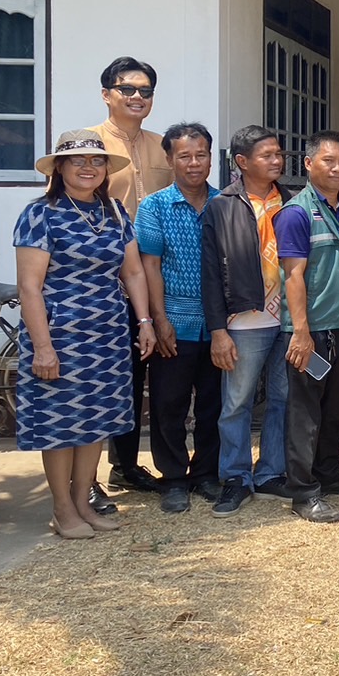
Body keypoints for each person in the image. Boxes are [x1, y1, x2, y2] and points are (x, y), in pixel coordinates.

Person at [13, 130, 157, 538]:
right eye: (78, 161)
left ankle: (83, 504)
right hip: (60, 335)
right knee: (61, 424)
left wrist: (144, 322)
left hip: (108, 336)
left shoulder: (114, 211)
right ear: (60, 168)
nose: (88, 168)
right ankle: (62, 509)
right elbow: (29, 287)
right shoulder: (40, 214)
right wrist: (43, 347)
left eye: (96, 161)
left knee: (96, 420)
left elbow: (133, 272)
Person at [87, 56, 171, 501]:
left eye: (146, 91)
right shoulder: (89, 146)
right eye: (128, 89)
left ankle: (124, 465)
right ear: (107, 94)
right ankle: (84, 479)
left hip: (154, 278)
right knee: (100, 378)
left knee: (137, 376)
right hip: (102, 283)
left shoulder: (165, 147)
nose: (138, 97)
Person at [200, 125, 292, 517]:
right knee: (236, 402)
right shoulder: (222, 207)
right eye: (267, 155)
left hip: (287, 319)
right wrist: (218, 330)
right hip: (244, 320)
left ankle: (271, 472)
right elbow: (210, 274)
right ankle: (236, 477)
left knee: (283, 399)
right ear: (242, 161)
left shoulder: (290, 201)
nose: (276, 160)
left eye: (278, 153)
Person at [135, 123, 220, 515]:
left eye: (201, 155)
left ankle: (206, 474)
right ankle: (172, 478)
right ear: (170, 159)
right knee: (169, 404)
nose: (194, 163)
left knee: (213, 405)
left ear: (211, 158)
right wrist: (159, 319)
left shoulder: (224, 204)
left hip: (219, 326)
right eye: (184, 156)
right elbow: (149, 266)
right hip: (174, 322)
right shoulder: (154, 207)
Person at [275, 130, 339, 524]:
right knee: (305, 413)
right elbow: (293, 275)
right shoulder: (296, 213)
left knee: (337, 407)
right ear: (309, 164)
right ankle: (303, 491)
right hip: (311, 330)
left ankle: (329, 471)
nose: (338, 168)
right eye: (329, 160)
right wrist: (301, 332)